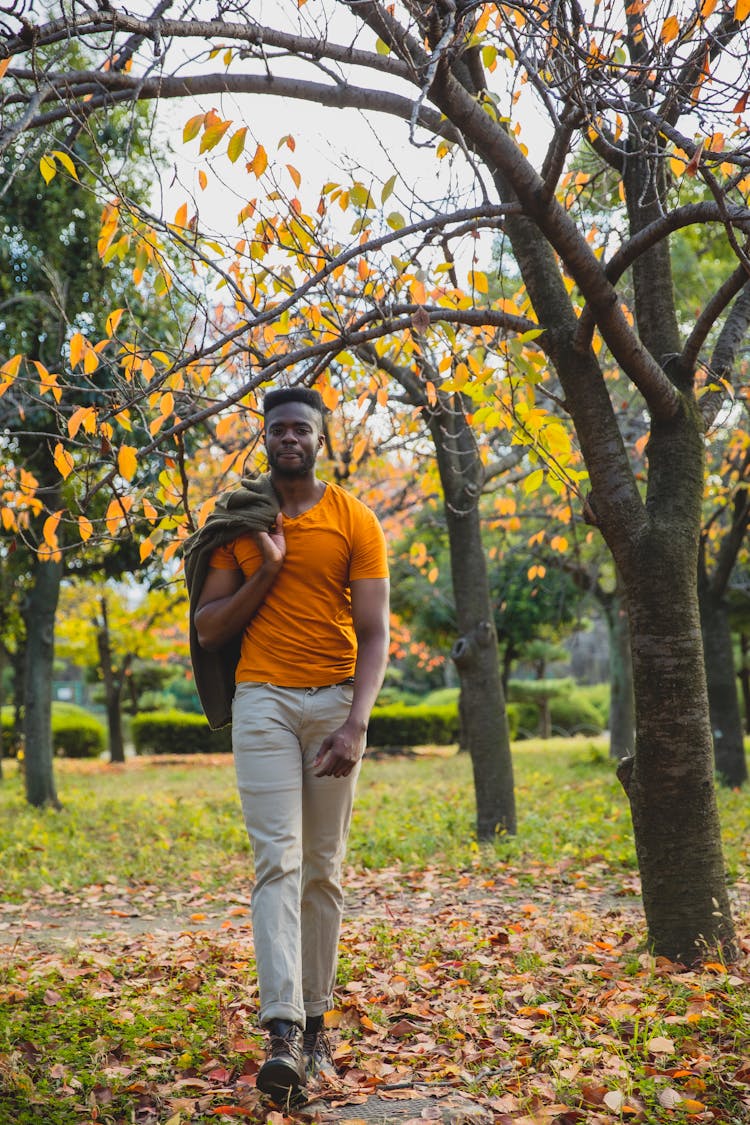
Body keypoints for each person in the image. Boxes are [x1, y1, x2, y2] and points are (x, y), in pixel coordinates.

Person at [192, 387, 390, 1106]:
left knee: (324, 870)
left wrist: (356, 722)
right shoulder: (242, 524)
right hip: (264, 702)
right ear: (265, 438)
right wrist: (267, 568)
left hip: (336, 700)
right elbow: (211, 627)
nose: (289, 437)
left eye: (301, 427)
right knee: (277, 858)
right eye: (277, 428)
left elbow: (374, 632)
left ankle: (315, 1021)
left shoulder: (355, 520)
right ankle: (280, 1030)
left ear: (320, 438)